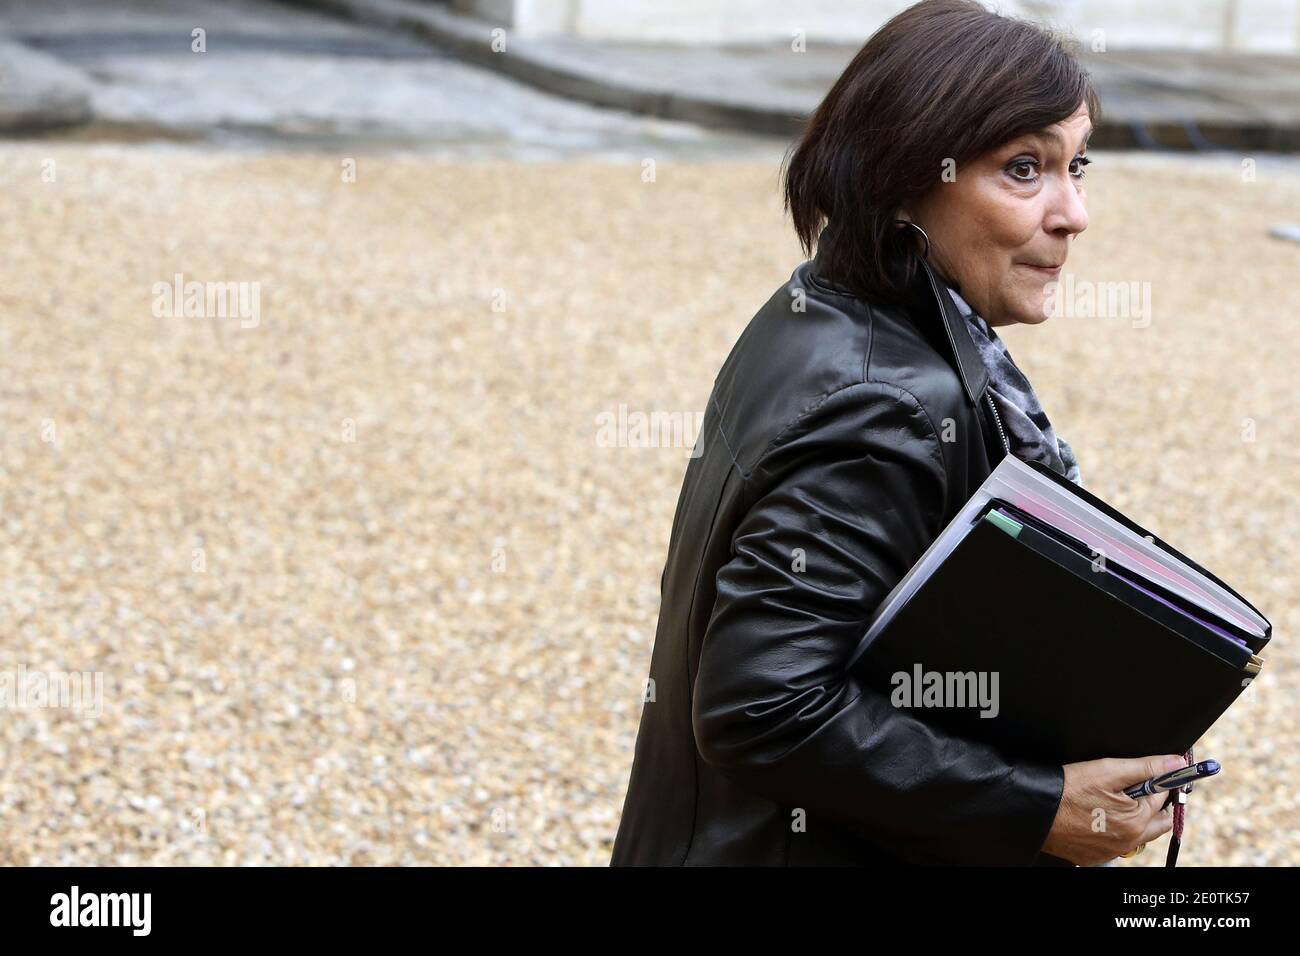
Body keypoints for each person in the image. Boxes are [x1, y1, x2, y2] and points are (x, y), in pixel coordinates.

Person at [610, 0, 1179, 866]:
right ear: (907, 175)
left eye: (1078, 164)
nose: (1074, 213)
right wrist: (1040, 807)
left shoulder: (823, 306)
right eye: (1024, 169)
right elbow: (761, 706)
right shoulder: (885, 401)